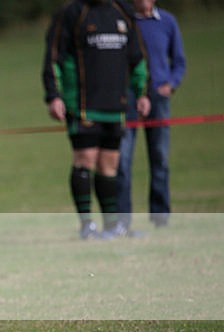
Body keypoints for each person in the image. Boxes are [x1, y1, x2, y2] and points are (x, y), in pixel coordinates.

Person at [42, 0, 151, 239]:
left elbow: (137, 58)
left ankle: (112, 226)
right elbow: (53, 57)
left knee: (109, 164)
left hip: (115, 104)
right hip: (82, 104)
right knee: (86, 159)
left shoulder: (123, 11)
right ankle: (87, 226)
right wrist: (54, 96)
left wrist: (142, 93)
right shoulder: (73, 13)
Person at [117, 0, 186, 231]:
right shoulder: (124, 22)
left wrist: (171, 84)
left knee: (160, 156)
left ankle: (160, 215)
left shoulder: (167, 22)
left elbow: (179, 61)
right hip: (129, 97)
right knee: (123, 160)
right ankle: (122, 219)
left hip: (158, 98)